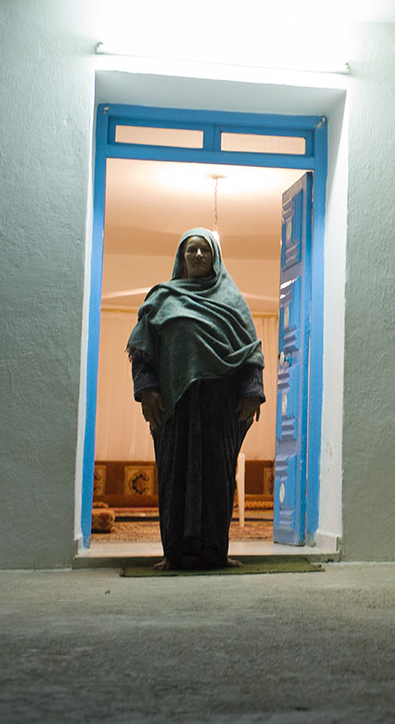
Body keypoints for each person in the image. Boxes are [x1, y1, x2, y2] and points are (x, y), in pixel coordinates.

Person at [127, 228, 266, 570]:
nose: (199, 255)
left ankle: (215, 553)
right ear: (181, 257)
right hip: (175, 407)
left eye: (206, 250)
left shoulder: (232, 302)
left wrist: (252, 393)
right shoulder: (161, 299)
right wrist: (147, 391)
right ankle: (173, 553)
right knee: (174, 474)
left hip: (220, 408)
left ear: (215, 257)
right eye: (192, 250)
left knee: (218, 478)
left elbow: (251, 351)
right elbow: (142, 351)